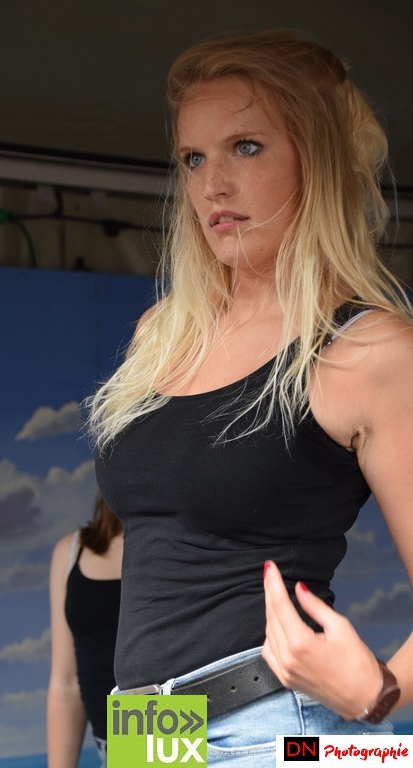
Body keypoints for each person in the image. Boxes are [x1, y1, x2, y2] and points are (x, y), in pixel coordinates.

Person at [88, 28, 413, 766]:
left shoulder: (365, 351)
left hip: (274, 731)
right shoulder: (161, 336)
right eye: (193, 158)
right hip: (145, 733)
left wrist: (381, 691)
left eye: (246, 147)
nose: (212, 185)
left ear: (316, 160)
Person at [47, 493, 122, 768]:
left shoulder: (181, 540)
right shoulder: (71, 549)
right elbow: (65, 681)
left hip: (171, 734)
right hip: (112, 751)